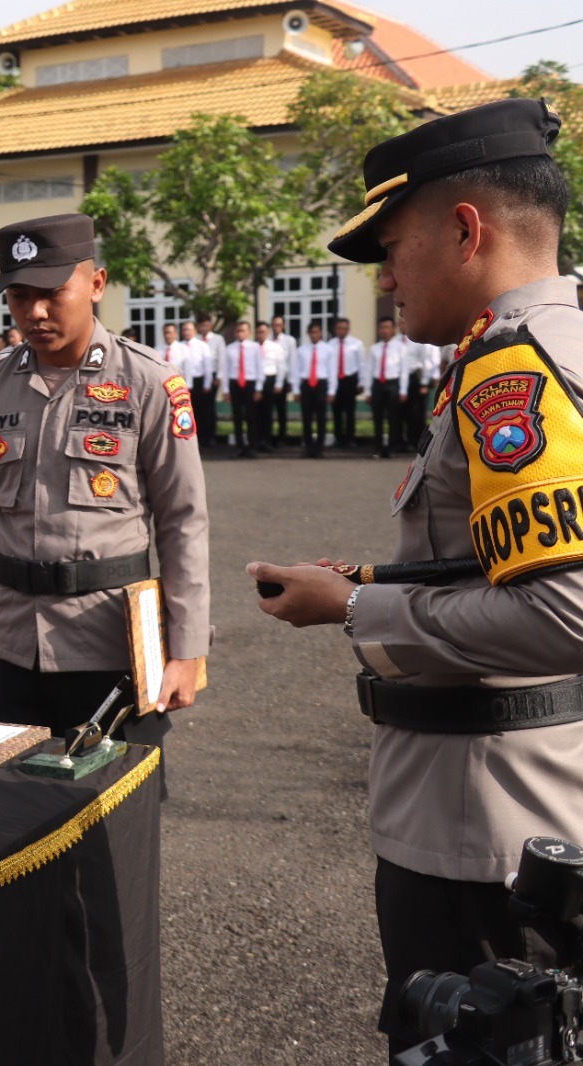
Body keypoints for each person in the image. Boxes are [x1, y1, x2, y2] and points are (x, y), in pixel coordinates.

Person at [250, 98, 583, 1059]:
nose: (386, 279)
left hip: (484, 836)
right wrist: (365, 578)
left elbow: (564, 609)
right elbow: (507, 562)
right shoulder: (550, 344)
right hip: (517, 809)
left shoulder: (511, 370)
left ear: (467, 230)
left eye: (392, 248)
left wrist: (355, 606)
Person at [0, 213, 209, 762]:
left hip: (109, 649)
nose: (36, 312)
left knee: (110, 829)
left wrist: (187, 651)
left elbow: (182, 521)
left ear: (96, 284)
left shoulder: (148, 383)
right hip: (10, 648)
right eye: (20, 296)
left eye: (51, 293)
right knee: (6, 822)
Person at [366, 316, 408, 458]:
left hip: (392, 384)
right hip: (378, 384)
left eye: (387, 327)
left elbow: (404, 370)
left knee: (393, 418)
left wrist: (403, 390)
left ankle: (391, 447)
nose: (384, 331)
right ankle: (378, 447)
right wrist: (368, 391)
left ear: (393, 329)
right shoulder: (374, 349)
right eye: (382, 328)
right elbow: (369, 370)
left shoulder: (400, 347)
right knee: (377, 418)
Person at [219, 321, 263, 458]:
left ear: (249, 332)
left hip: (250, 382)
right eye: (238, 331)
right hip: (235, 383)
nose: (240, 333)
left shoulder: (255, 347)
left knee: (251, 416)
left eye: (243, 330)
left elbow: (259, 368)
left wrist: (258, 388)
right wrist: (226, 390)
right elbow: (225, 370)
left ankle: (252, 446)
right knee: (237, 417)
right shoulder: (230, 348)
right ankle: (239, 446)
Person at [295, 322, 336, 458]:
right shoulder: (301, 350)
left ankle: (319, 448)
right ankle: (308, 447)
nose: (314, 334)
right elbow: (297, 371)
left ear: (320, 333)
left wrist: (331, 391)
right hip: (306, 385)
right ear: (308, 333)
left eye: (317, 332)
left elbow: (332, 370)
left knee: (321, 418)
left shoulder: (328, 349)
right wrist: (296, 390)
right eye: (312, 332)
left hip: (321, 384)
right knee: (306, 418)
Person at [328, 317, 364, 448]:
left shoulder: (356, 344)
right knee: (336, 411)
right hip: (335, 379)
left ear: (348, 329)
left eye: (344, 328)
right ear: (335, 329)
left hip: (350, 379)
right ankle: (338, 438)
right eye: (339, 328)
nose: (341, 330)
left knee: (349, 411)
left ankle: (350, 438)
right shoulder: (330, 344)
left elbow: (361, 364)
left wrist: (361, 382)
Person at [188, 317, 222, 446]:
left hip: (211, 375)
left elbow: (221, 358)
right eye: (202, 325)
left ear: (211, 325)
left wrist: (219, 376)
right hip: (196, 376)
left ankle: (211, 435)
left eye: (207, 325)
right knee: (197, 408)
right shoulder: (194, 339)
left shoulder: (218, 339)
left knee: (209, 407)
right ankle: (199, 435)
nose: (204, 328)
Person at [255, 321, 288, 451]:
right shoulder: (252, 347)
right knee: (255, 413)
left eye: (263, 331)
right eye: (258, 332)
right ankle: (256, 441)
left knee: (268, 412)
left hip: (270, 379)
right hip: (256, 380)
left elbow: (281, 366)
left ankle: (267, 441)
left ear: (268, 332)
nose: (261, 334)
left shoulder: (275, 347)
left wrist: (279, 383)